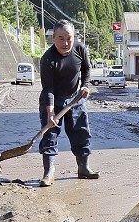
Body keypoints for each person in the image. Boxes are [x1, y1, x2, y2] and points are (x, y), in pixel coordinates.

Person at [37, 19, 99, 187]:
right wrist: (50, 113)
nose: (65, 43)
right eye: (61, 38)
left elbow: (86, 68)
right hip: (52, 100)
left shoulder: (80, 49)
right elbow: (48, 88)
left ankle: (84, 168)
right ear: (53, 38)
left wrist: (85, 86)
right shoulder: (47, 59)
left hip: (74, 99)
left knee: (81, 132)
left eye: (69, 38)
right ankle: (48, 173)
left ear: (74, 37)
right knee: (49, 135)